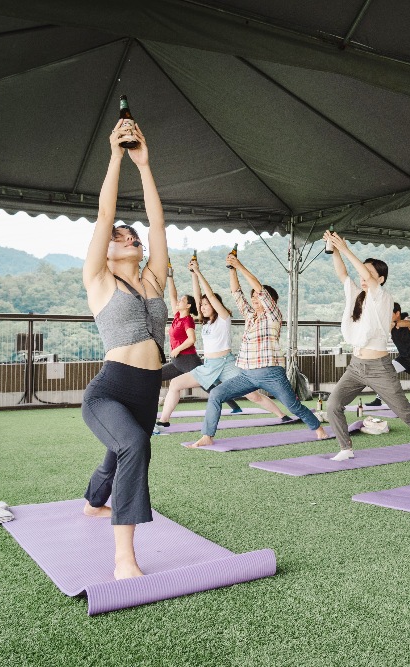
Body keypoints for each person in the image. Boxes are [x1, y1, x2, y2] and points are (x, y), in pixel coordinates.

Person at [80, 119, 168, 579]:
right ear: (106, 253)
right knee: (134, 445)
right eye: (118, 238)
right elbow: (103, 215)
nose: (128, 237)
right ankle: (124, 559)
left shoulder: (154, 280)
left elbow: (157, 223)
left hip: (147, 391)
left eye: (131, 236)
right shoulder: (98, 281)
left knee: (119, 455)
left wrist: (145, 165)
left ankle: (94, 499)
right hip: (109, 390)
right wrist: (116, 156)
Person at [322, 233, 410, 460]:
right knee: (333, 405)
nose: (363, 277)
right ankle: (346, 448)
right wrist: (335, 250)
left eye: (368, 273)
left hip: (379, 367)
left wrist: (346, 249)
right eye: (363, 272)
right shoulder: (359, 295)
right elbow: (343, 274)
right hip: (356, 366)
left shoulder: (382, 296)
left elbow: (361, 274)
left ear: (380, 279)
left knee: (404, 411)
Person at [189, 255, 326, 447]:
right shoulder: (250, 316)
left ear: (271, 301)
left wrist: (240, 265)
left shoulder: (273, 315)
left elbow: (260, 289)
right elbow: (236, 293)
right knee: (216, 394)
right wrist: (232, 270)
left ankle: (318, 429)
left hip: (271, 374)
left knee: (293, 406)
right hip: (247, 375)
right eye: (252, 296)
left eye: (257, 296)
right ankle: (207, 436)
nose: (254, 298)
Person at [155, 259, 287, 429]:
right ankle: (164, 420)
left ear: (215, 305)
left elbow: (209, 295)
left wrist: (199, 273)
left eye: (206, 305)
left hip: (226, 364)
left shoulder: (224, 318)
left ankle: (282, 415)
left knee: (253, 395)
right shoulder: (205, 322)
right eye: (201, 305)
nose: (202, 307)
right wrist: (194, 274)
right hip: (209, 366)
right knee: (175, 384)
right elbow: (198, 296)